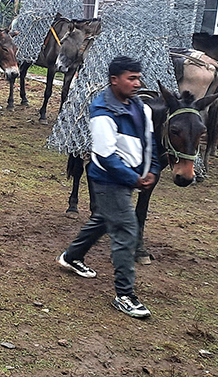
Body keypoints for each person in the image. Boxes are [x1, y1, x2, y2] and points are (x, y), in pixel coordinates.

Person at [57, 55, 159, 319]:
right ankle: (125, 295)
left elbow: (150, 143)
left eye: (138, 78)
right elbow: (105, 156)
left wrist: (153, 170)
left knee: (103, 219)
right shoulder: (103, 112)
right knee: (126, 230)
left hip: (127, 179)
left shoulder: (141, 108)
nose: (137, 84)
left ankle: (71, 256)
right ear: (114, 81)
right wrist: (133, 179)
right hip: (108, 181)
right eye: (131, 79)